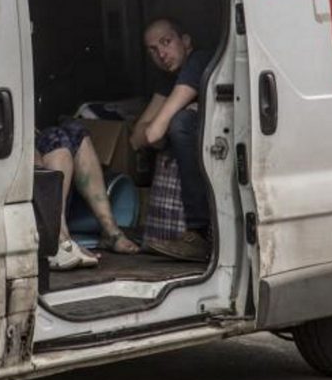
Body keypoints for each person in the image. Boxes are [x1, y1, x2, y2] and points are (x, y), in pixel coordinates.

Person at [130, 19, 212, 262]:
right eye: (153, 50)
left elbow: (153, 133)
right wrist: (157, 130)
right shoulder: (168, 79)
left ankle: (199, 233)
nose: (161, 54)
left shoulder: (198, 61)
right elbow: (136, 138)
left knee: (180, 123)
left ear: (185, 41)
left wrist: (160, 127)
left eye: (166, 42)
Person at [36, 121, 140, 271]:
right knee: (55, 141)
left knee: (76, 132)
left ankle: (111, 232)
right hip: (37, 210)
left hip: (58, 199)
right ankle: (59, 240)